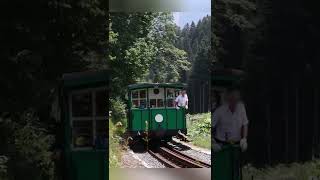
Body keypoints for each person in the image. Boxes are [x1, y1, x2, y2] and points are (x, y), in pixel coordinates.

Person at [212, 87, 248, 152]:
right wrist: (213, 142)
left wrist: (244, 138)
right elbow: (211, 127)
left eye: (237, 99)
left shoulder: (241, 107)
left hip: (237, 144)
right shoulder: (219, 111)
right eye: (232, 99)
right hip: (221, 144)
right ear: (228, 99)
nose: (235, 102)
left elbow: (245, 123)